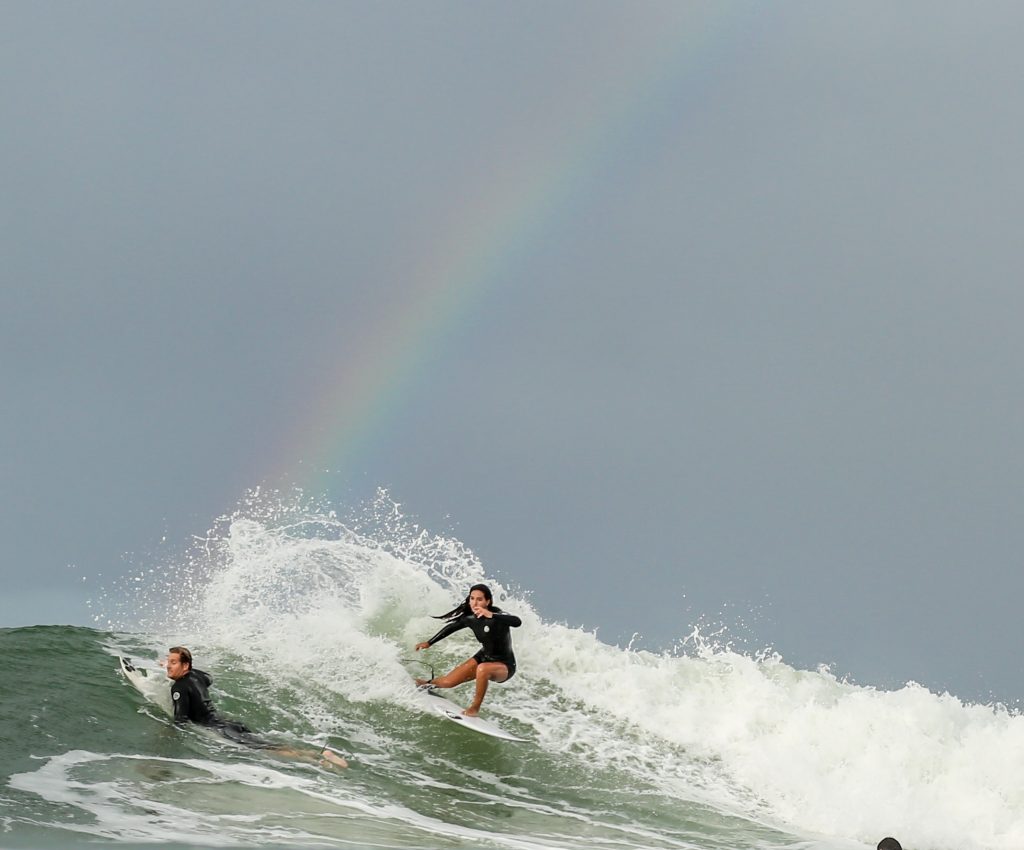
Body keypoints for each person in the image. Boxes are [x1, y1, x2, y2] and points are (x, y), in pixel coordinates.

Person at [163, 646, 347, 768]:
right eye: (168, 662)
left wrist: (167, 733)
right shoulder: (196, 676)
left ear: (185, 665)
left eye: (173, 662)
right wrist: (182, 669)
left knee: (267, 748)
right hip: (229, 723)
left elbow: (181, 720)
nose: (168, 667)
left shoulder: (178, 687)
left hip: (220, 729)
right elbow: (208, 678)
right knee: (268, 743)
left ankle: (318, 761)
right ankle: (319, 754)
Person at [414, 584, 521, 717]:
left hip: (505, 665)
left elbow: (517, 621)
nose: (475, 603)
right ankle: (425, 684)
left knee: (483, 669)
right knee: (448, 682)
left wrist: (491, 615)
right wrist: (429, 642)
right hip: (484, 656)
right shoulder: (470, 619)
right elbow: (451, 628)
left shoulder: (498, 615)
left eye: (479, 599)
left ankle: (474, 709)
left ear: (488, 601)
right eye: (472, 598)